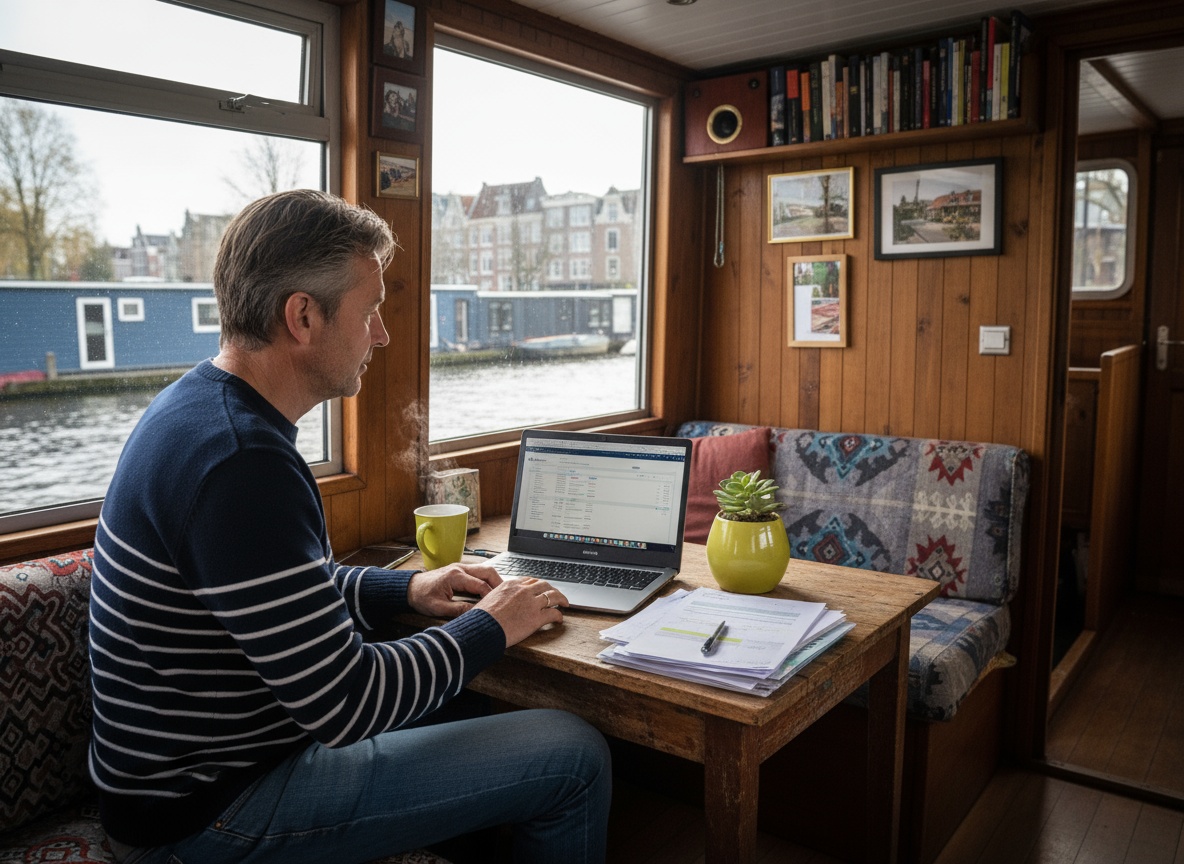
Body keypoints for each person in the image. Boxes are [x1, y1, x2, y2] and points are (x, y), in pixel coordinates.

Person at [88, 190, 612, 864]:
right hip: (207, 818)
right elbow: (348, 703)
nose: (382, 335)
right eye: (370, 313)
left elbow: (276, 585)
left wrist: (406, 592)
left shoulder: (200, 409)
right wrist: (494, 624)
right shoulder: (243, 463)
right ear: (303, 316)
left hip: (196, 779)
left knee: (473, 712)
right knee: (574, 754)